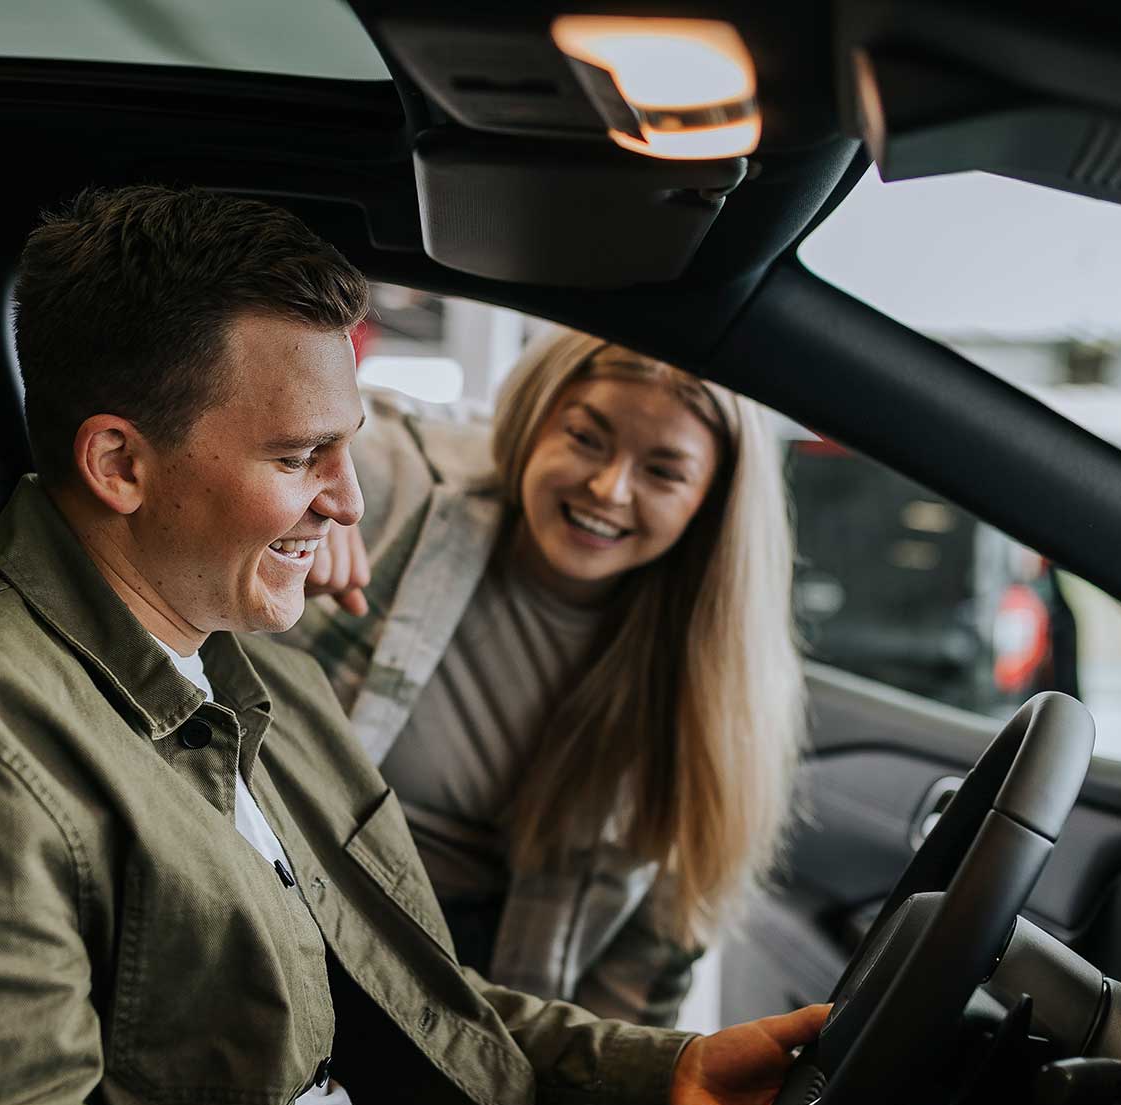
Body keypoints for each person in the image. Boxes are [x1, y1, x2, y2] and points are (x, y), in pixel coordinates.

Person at [0, 184, 1051, 1105]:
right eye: (301, 456)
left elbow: (415, 1001)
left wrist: (665, 1076)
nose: (346, 503)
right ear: (121, 465)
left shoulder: (247, 664)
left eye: (347, 449)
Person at [290, 331, 802, 1029]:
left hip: (489, 1007)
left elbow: (645, 977)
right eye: (586, 439)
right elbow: (256, 417)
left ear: (710, 504)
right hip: (297, 910)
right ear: (536, 420)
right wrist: (308, 475)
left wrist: (608, 1082)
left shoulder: (711, 687)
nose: (608, 488)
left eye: (662, 472)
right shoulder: (395, 486)